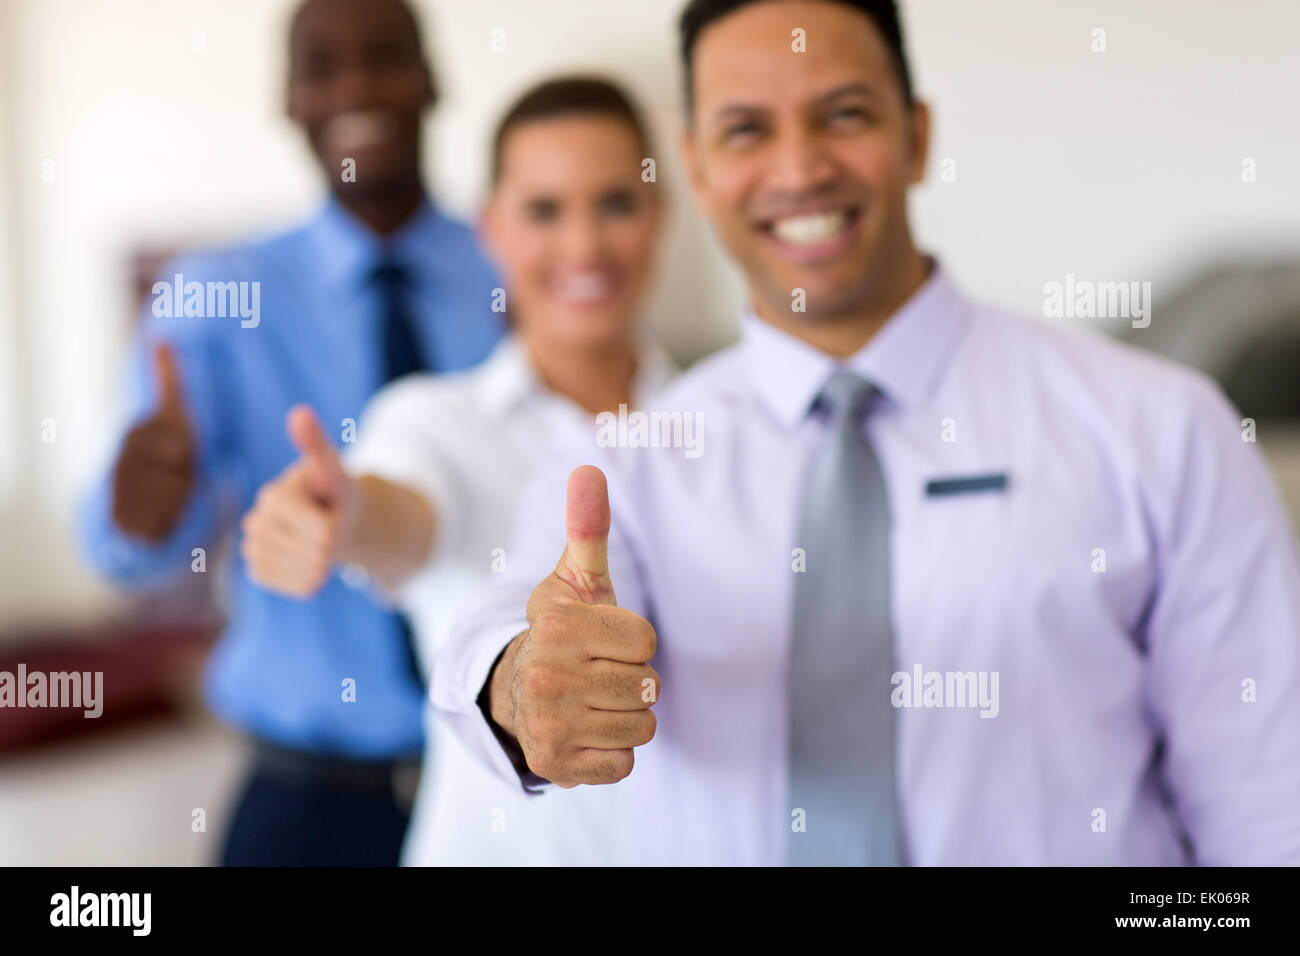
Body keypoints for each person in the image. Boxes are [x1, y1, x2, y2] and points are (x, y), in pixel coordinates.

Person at [432, 0, 1300, 866]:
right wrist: (523, 681)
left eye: (843, 114)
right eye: (745, 130)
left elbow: (1266, 804)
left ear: (917, 136)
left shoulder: (1163, 427)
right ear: (696, 171)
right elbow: (502, 622)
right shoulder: (628, 461)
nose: (800, 168)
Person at [77, 0, 503, 865]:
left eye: (385, 56)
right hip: (308, 801)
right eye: (323, 65)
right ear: (289, 98)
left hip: (505, 787)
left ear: (431, 79)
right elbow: (136, 553)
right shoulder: (214, 294)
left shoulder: (519, 262)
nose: (356, 85)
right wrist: (143, 513)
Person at [239, 76, 670, 865]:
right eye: (544, 210)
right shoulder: (434, 420)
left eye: (616, 202)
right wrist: (343, 518)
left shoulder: (724, 425)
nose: (584, 246)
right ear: (492, 229)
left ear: (661, 213)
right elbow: (400, 518)